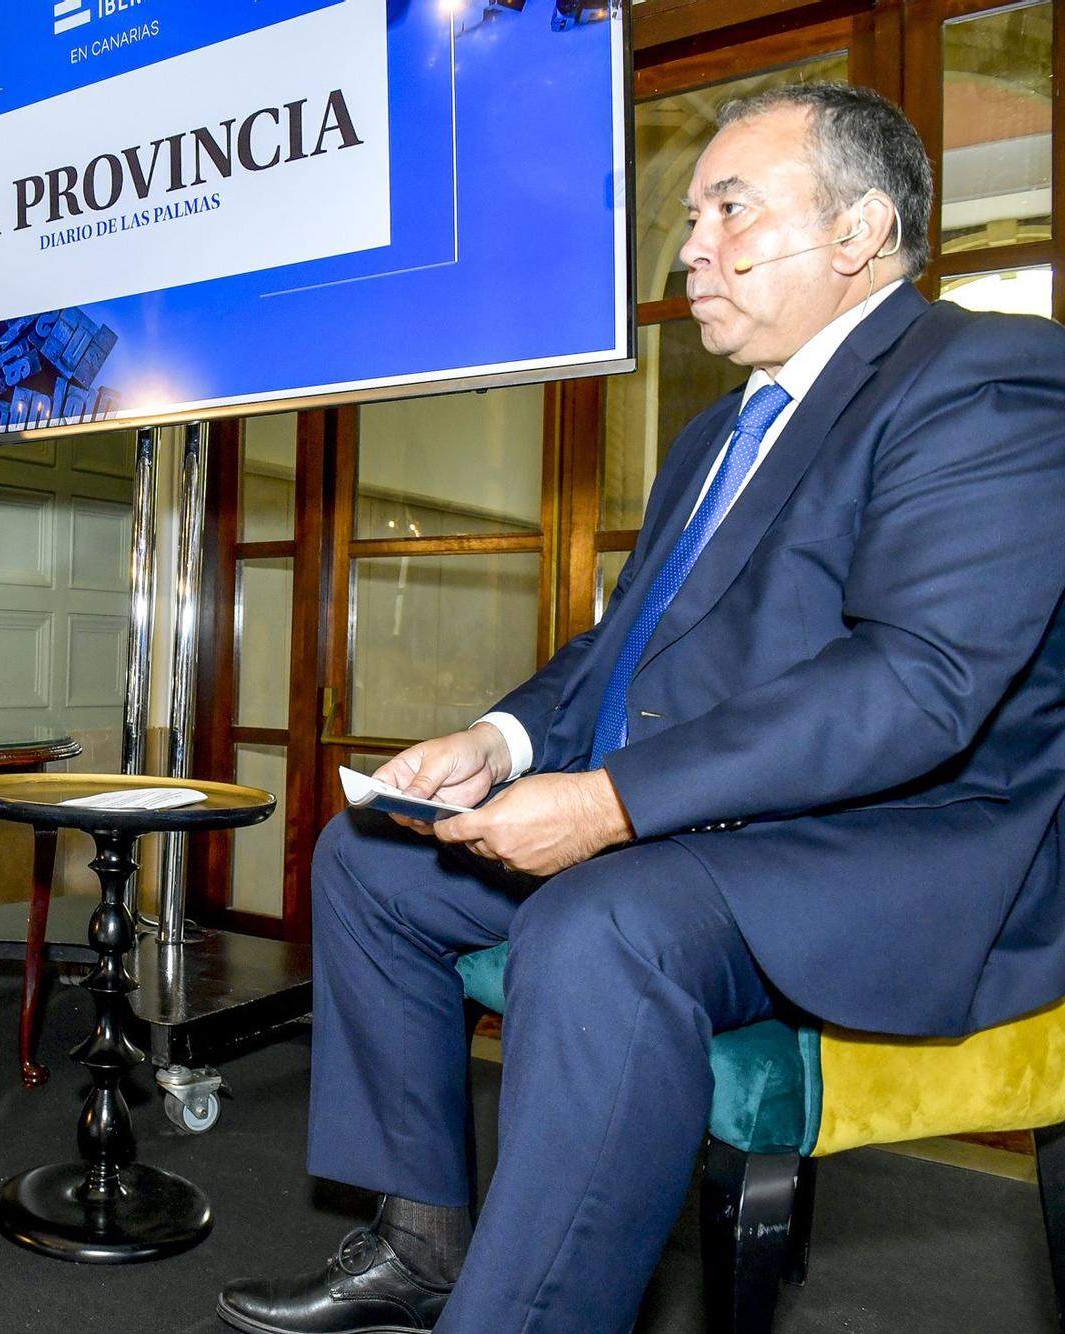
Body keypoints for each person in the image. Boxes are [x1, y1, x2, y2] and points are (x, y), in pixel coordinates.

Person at [218, 83, 1065, 1334]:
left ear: (858, 232)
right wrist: (498, 740)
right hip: (705, 822)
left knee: (600, 929)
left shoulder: (983, 380)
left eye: (731, 208)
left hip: (900, 847)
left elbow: (915, 682)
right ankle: (423, 1242)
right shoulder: (716, 432)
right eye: (688, 216)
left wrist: (610, 803)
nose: (689, 247)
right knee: (366, 861)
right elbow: (616, 647)